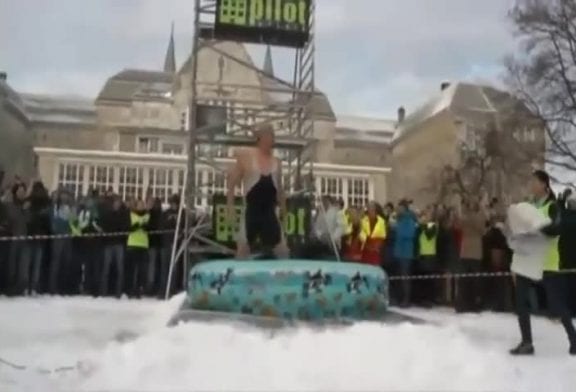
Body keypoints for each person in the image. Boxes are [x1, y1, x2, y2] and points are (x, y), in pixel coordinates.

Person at [510, 170, 576, 356]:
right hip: (527, 260)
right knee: (520, 302)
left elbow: (556, 229)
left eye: (534, 182)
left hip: (547, 261)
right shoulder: (529, 206)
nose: (531, 185)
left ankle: (574, 339)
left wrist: (537, 227)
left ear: (544, 185)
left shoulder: (553, 206)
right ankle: (526, 343)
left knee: (557, 304)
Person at [226, 124, 288, 259]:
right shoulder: (247, 158)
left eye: (271, 137)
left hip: (269, 211)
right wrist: (230, 206)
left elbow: (280, 188)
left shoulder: (277, 163)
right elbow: (231, 182)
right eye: (266, 137)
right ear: (259, 139)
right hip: (251, 210)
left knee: (282, 250)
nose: (269, 141)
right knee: (243, 249)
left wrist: (284, 209)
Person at [360, 201, 387, 266]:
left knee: (375, 267)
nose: (370, 211)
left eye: (372, 209)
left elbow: (383, 235)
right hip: (366, 248)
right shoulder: (363, 220)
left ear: (375, 210)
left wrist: (376, 245)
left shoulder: (381, 221)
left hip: (376, 250)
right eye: (369, 209)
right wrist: (366, 239)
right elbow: (361, 232)